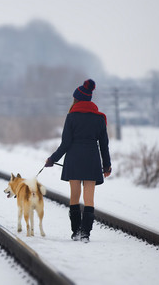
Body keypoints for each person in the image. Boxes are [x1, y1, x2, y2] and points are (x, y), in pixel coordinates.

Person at [45, 79, 111, 243]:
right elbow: (104, 145)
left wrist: (52, 159)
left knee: (74, 196)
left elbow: (65, 144)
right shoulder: (100, 119)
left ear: (77, 99)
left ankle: (76, 232)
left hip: (74, 159)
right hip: (92, 160)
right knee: (89, 198)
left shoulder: (72, 116)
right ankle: (85, 234)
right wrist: (107, 165)